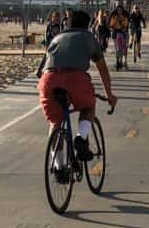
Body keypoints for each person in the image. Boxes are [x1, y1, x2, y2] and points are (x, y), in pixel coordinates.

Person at [37, 10, 117, 171]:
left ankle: (59, 167)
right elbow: (102, 68)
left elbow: (41, 69)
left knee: (55, 122)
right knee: (88, 107)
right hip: (76, 79)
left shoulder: (56, 38)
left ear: (68, 23)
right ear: (87, 25)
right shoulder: (89, 38)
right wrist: (109, 95)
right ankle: (81, 138)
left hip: (48, 80)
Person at [108, 3, 130, 71]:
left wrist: (121, 21)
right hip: (116, 32)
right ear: (116, 10)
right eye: (118, 10)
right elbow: (111, 24)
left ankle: (124, 62)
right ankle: (118, 61)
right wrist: (115, 20)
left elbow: (125, 25)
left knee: (124, 48)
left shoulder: (124, 17)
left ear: (122, 10)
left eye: (120, 10)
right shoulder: (114, 16)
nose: (119, 11)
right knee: (117, 49)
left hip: (123, 32)